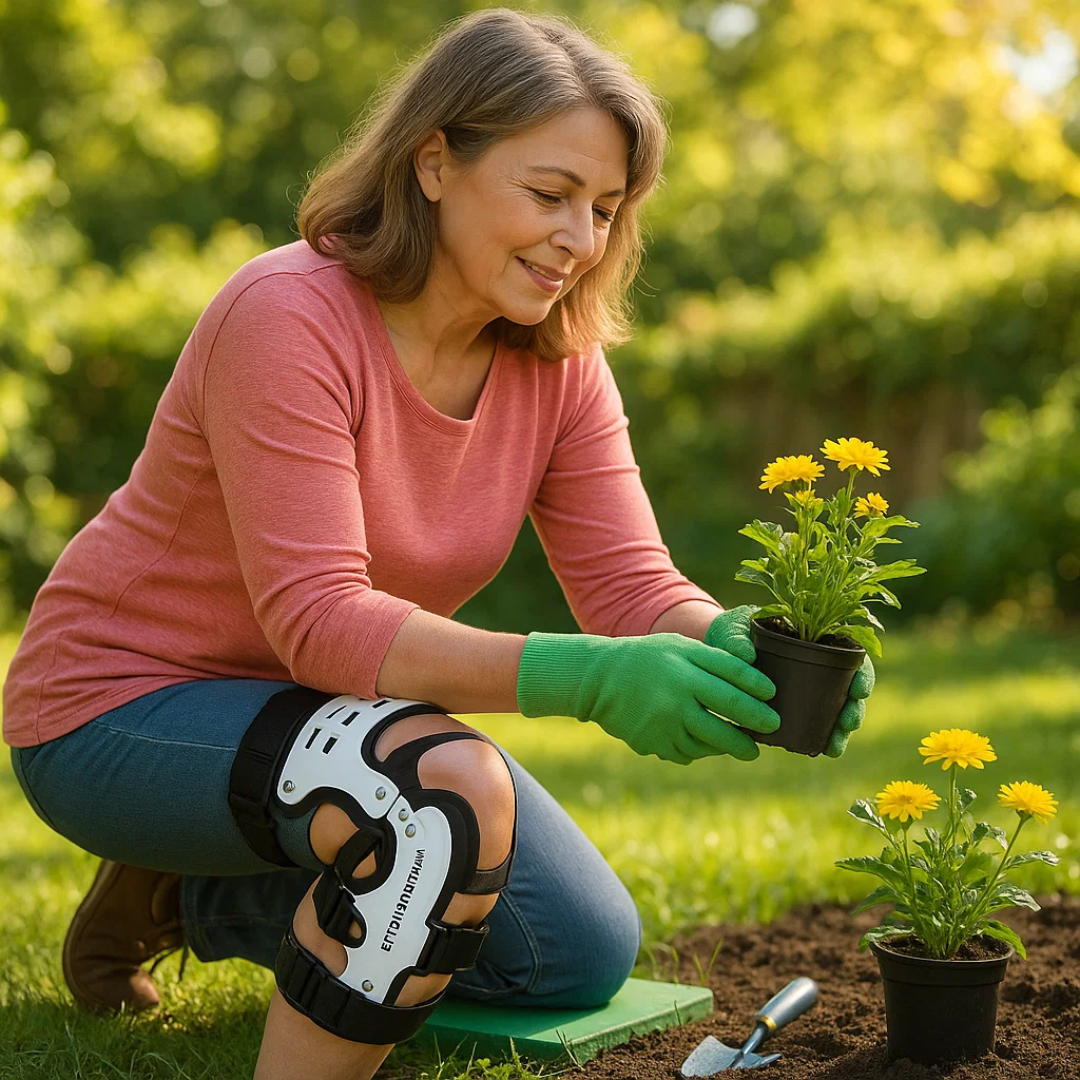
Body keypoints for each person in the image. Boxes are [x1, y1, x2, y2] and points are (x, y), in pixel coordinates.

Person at [2, 8, 873, 1080]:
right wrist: (587, 681)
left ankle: (186, 890)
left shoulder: (556, 361)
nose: (581, 239)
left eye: (605, 209)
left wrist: (734, 647)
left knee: (577, 951)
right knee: (440, 803)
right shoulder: (288, 314)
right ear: (433, 164)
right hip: (121, 713)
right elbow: (320, 623)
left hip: (327, 730)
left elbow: (627, 579)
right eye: (549, 195)